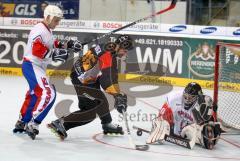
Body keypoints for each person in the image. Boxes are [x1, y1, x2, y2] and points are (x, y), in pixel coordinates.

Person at [13, 5, 83, 140]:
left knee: (35, 94)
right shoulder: (39, 30)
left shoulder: (46, 30)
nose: (58, 23)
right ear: (48, 17)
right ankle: (34, 122)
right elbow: (37, 50)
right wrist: (54, 54)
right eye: (56, 20)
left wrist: (68, 45)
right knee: (49, 93)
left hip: (35, 66)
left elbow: (52, 43)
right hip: (32, 65)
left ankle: (23, 121)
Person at [47, 35, 134, 140]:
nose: (125, 53)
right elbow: (108, 80)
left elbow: (107, 76)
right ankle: (61, 123)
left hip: (85, 77)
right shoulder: (108, 55)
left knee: (101, 100)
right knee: (90, 112)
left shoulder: (106, 46)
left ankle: (107, 124)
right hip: (82, 80)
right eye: (125, 50)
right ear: (118, 46)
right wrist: (117, 95)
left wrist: (117, 94)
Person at [146, 82, 221, 150]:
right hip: (175, 122)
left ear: (198, 97)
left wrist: (208, 131)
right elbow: (162, 114)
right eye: (185, 96)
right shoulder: (174, 97)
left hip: (189, 127)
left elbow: (209, 123)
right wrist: (160, 124)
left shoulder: (204, 104)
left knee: (202, 133)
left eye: (191, 98)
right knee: (162, 121)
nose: (187, 100)